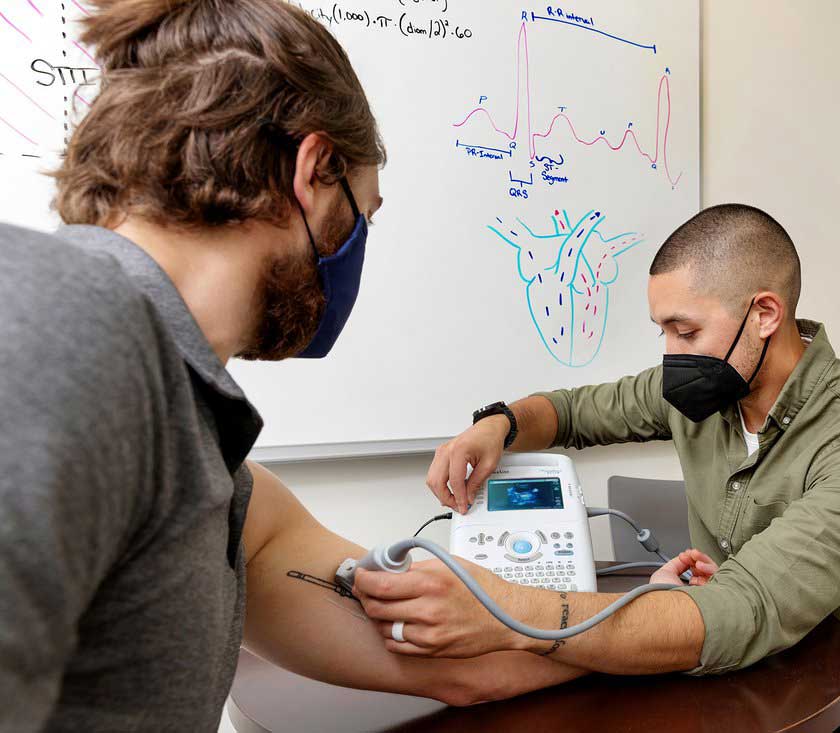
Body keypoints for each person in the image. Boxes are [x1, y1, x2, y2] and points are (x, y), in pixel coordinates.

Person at [0, 1, 586, 730]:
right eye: (362, 213)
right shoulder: (62, 321)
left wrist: (654, 618)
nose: (355, 250)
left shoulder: (214, 468)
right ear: (313, 172)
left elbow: (470, 667)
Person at [361, 204, 840, 731]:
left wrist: (504, 613)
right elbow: (569, 412)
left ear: (764, 313)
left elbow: (744, 608)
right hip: (741, 661)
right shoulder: (708, 389)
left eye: (685, 331)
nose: (671, 354)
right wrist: (496, 425)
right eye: (663, 331)